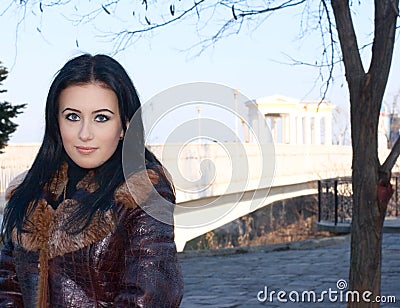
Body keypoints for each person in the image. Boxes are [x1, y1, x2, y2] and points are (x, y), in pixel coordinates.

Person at [0, 54, 184, 307]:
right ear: (56, 122)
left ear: (124, 126)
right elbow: (8, 289)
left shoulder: (141, 190)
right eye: (73, 117)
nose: (85, 134)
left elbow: (148, 297)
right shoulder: (28, 193)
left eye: (101, 118)